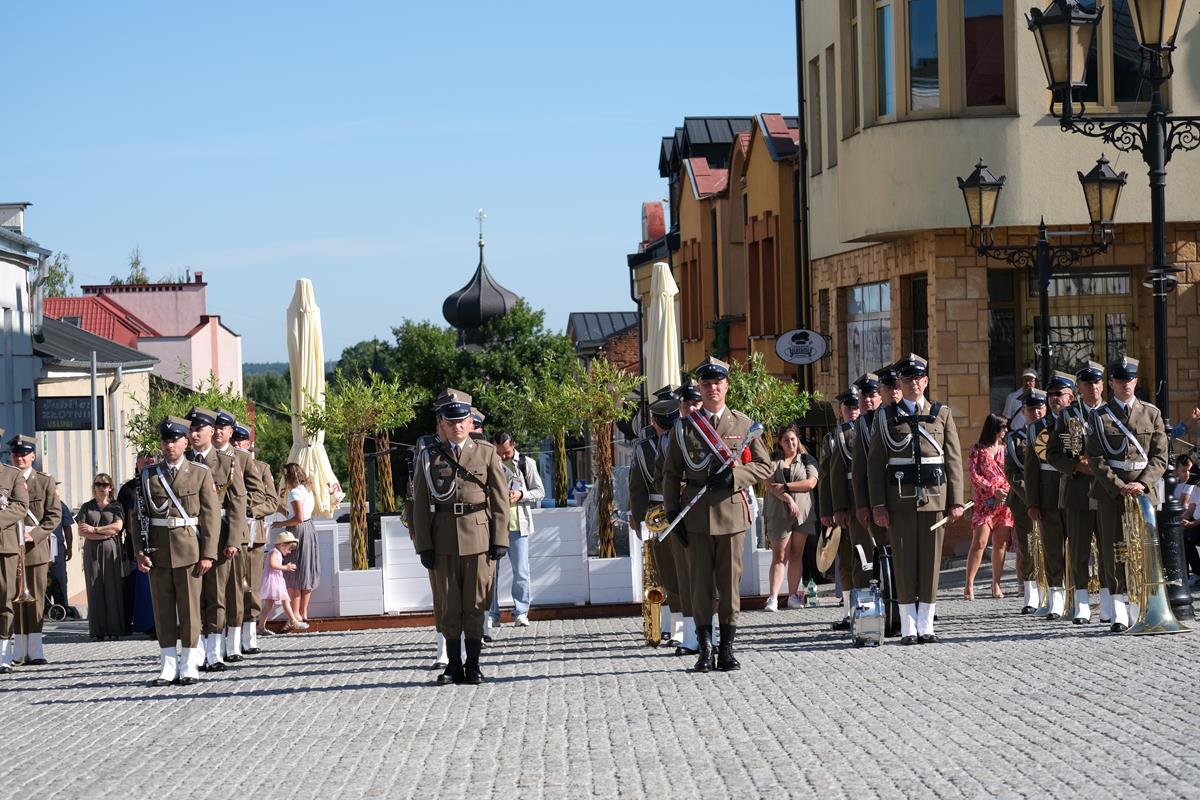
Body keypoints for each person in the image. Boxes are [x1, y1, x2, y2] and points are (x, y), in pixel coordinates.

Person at [661, 356, 773, 673]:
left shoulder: (743, 424)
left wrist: (735, 477)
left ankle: (727, 649)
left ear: (726, 386)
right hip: (695, 516)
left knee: (729, 585)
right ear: (699, 387)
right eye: (707, 383)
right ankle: (705, 649)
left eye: (718, 383)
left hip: (732, 514)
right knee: (699, 586)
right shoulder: (684, 427)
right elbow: (671, 473)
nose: (713, 388)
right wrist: (672, 512)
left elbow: (765, 466)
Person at [411, 388, 510, 686]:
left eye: (462, 421)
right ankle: (453, 665)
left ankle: (474, 665)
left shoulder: (486, 452)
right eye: (451, 422)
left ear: (470, 422)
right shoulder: (429, 456)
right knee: (448, 605)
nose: (457, 427)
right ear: (443, 424)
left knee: (476, 604)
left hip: (479, 538)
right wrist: (424, 545)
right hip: (443, 539)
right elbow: (420, 503)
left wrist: (500, 539)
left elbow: (500, 499)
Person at [868, 354, 965, 645]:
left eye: (918, 379)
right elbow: (875, 464)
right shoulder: (885, 416)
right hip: (899, 499)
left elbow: (953, 459)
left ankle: (927, 624)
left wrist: (956, 500)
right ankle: (908, 626)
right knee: (903, 561)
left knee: (931, 562)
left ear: (926, 382)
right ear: (900, 383)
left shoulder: (941, 413)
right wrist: (878, 504)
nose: (914, 384)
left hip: (934, 497)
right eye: (908, 379)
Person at [134, 416, 221, 686]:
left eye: (174, 440)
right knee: (162, 611)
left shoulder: (200, 473)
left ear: (185, 443)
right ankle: (168, 666)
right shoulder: (148, 475)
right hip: (158, 550)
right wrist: (139, 551)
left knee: (190, 610)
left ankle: (190, 664)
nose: (169, 445)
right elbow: (137, 517)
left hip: (189, 550)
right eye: (165, 441)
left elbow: (211, 517)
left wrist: (208, 554)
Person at [1086, 356, 1168, 633]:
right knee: (1115, 550)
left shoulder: (1151, 413)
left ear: (1136, 380)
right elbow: (1096, 458)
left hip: (1143, 493)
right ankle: (1120, 609)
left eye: (1130, 379)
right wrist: (1119, 485)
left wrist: (1142, 484)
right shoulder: (1099, 416)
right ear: (1111, 383)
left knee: (1144, 550)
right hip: (1112, 492)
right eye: (1120, 380)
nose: (1126, 384)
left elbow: (1160, 456)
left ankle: (1143, 604)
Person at [185, 407, 247, 672]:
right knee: (193, 596)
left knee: (216, 595)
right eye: (191, 429)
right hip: (189, 536)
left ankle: (214, 651)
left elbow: (238, 503)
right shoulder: (184, 460)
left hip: (219, 536)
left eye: (199, 429)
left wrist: (233, 540)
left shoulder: (226, 462)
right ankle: (197, 651)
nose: (194, 434)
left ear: (211, 431)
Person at [1048, 361, 1108, 624]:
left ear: (1103, 386)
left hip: (1108, 491)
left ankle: (1109, 602)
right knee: (1079, 550)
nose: (1092, 388)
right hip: (1078, 490)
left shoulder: (1112, 412)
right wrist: (1075, 466)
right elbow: (1053, 453)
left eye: (1096, 383)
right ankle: (1082, 604)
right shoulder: (1068, 415)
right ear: (1078, 389)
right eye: (1086, 384)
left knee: (1109, 549)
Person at [626, 395, 683, 642]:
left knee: (665, 571)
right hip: (677, 511)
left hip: (659, 514)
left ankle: (673, 626)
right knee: (673, 570)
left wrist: (639, 518)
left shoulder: (643, 448)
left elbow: (637, 488)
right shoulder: (683, 441)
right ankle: (677, 626)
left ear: (653, 420)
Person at [212, 408, 263, 662]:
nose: (217, 432)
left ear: (230, 432)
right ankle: (212, 643)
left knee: (234, 590)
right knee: (211, 592)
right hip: (208, 531)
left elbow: (259, 493)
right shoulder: (199, 458)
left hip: (235, 531)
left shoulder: (241, 458)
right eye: (214, 427)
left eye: (222, 428)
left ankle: (233, 642)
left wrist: (239, 507)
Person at [1025, 372, 1075, 621]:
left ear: (1070, 397)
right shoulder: (1036, 428)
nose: (1055, 398)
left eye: (1059, 394)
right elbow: (1031, 468)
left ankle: (1078, 595)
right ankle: (1056, 598)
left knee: (1078, 548)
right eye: (1051, 394)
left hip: (1075, 491)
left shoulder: (1079, 421)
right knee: (1053, 548)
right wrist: (1032, 502)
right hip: (1048, 494)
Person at [8, 434, 62, 666]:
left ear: (33, 456)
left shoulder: (44, 481)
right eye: (15, 454)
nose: (19, 458)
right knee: (14, 598)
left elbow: (54, 515)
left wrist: (36, 534)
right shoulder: (6, 480)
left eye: (24, 454)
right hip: (11, 546)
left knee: (36, 598)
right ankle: (19, 650)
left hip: (35, 547)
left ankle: (35, 649)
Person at [488, 432, 545, 629]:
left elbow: (540, 491)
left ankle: (521, 612)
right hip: (493, 525)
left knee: (521, 571)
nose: (504, 456)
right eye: (499, 453)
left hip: (518, 524)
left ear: (514, 445)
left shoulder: (526, 463)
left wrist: (521, 494)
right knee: (490, 573)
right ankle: (491, 614)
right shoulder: (488, 461)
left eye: (507, 452)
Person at [233, 424, 278, 654]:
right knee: (231, 585)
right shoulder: (223, 465)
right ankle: (230, 634)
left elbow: (272, 502)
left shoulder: (261, 468)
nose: (236, 444)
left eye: (239, 441)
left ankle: (249, 633)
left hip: (253, 532)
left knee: (250, 585)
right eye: (233, 440)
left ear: (248, 444)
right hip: (230, 532)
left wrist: (249, 509)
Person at [764, 425, 818, 612]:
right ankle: (773, 597)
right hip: (779, 512)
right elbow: (770, 485)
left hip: (803, 513)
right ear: (780, 442)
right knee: (779, 555)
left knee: (796, 554)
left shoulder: (807, 459)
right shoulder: (772, 460)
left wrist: (786, 487)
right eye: (786, 440)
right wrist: (789, 499)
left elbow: (810, 483)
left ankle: (793, 595)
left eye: (793, 439)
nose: (790, 443)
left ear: (798, 439)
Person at [825, 387, 864, 627]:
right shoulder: (833, 438)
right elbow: (827, 477)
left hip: (869, 503)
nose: (853, 411)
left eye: (856, 406)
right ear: (841, 411)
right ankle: (850, 611)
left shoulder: (871, 430)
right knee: (848, 560)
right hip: (846, 505)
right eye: (848, 407)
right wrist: (828, 511)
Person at [964, 414, 1014, 600]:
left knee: (1001, 543)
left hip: (1004, 503)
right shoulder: (977, 450)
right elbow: (974, 475)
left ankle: (996, 584)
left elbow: (1012, 472)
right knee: (980, 542)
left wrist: (1005, 491)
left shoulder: (1006, 450)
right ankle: (969, 584)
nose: (1006, 431)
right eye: (1003, 427)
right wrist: (993, 490)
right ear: (994, 428)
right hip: (984, 503)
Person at [1005, 390, 1044, 614]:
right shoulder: (1014, 439)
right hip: (1023, 501)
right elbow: (1012, 473)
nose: (1036, 413)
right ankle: (1031, 595)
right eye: (1031, 409)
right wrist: (1031, 500)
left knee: (1053, 546)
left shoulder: (1053, 434)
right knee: (1028, 546)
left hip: (1051, 498)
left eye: (1039, 408)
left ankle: (1055, 592)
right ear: (1023, 411)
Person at [78, 473, 128, 640]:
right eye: (98, 484)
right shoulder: (87, 506)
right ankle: (97, 630)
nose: (101, 487)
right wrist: (104, 533)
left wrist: (95, 529)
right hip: (92, 550)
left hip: (111, 550)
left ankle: (114, 629)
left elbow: (118, 526)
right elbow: (82, 531)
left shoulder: (116, 506)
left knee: (112, 587)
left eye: (105, 485)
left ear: (110, 488)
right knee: (94, 587)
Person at [272, 463, 319, 629]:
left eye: (285, 476)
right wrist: (282, 510)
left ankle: (295, 615)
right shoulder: (307, 490)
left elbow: (298, 518)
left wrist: (280, 524)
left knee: (293, 572)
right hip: (309, 528)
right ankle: (303, 613)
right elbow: (301, 515)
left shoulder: (294, 492)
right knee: (306, 571)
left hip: (297, 532)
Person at [0, 427, 31, 674]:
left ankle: (2, 654)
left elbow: (21, 506)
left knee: (4, 598)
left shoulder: (11, 475)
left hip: (4, 546)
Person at [118, 455, 157, 637]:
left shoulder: (159, 482)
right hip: (134, 544)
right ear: (137, 463)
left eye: (152, 458)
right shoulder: (128, 489)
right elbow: (123, 518)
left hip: (157, 541)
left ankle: (157, 624)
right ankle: (136, 623)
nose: (149, 461)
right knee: (134, 586)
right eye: (144, 459)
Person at [257, 532, 303, 634]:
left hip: (276, 581)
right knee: (273, 604)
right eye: (289, 549)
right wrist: (285, 567)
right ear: (282, 545)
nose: (289, 552)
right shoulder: (274, 552)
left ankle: (261, 627)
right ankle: (293, 621)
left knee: (280, 602)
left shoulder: (277, 553)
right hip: (273, 582)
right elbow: (272, 564)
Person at [47, 488, 74, 615]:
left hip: (58, 549)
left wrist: (69, 547)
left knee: (60, 580)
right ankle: (45, 610)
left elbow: (67, 528)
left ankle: (62, 610)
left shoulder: (61, 505)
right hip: (41, 549)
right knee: (43, 582)